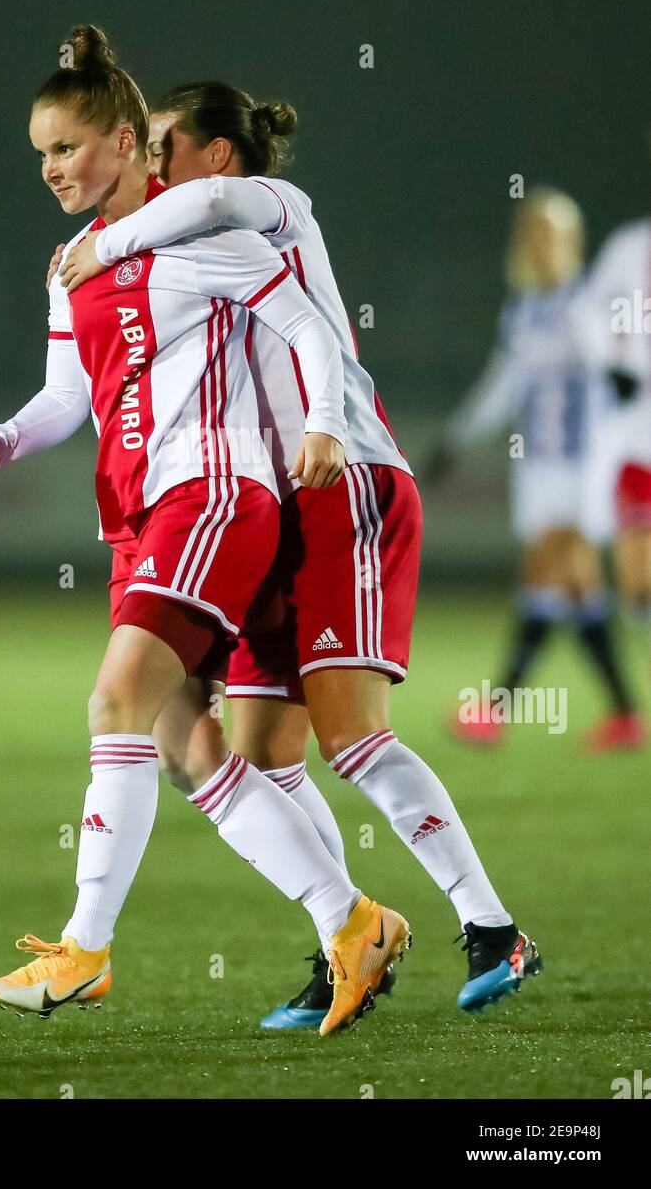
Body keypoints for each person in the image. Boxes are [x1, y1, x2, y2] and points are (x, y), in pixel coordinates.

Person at [0, 27, 409, 1037]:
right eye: (39, 153)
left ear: (126, 140)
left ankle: (83, 950)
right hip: (136, 514)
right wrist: (4, 439)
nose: (51, 170)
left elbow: (303, 323)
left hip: (210, 496)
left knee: (116, 696)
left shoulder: (192, 232)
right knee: (180, 741)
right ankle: (351, 921)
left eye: (68, 148)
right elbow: (67, 395)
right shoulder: (68, 265)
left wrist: (329, 424)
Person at [59, 79, 541, 1021]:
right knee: (265, 754)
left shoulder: (272, 207)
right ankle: (346, 943)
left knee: (350, 736)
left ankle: (493, 928)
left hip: (346, 479)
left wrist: (102, 241)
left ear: (220, 154)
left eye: (165, 145)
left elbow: (210, 205)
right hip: (278, 505)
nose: (151, 165)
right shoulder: (185, 250)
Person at [426, 188, 644, 752]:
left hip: (584, 464)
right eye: (534, 232)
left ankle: (497, 708)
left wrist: (619, 377)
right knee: (577, 589)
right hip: (539, 467)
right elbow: (503, 386)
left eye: (553, 233)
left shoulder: (585, 303)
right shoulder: (523, 309)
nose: (542, 243)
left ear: (572, 242)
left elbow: (616, 361)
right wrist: (455, 440)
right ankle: (624, 714)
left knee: (547, 570)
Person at [576, 205, 651, 746]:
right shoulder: (631, 244)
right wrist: (610, 361)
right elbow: (587, 310)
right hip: (638, 438)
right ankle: (626, 712)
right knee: (638, 588)